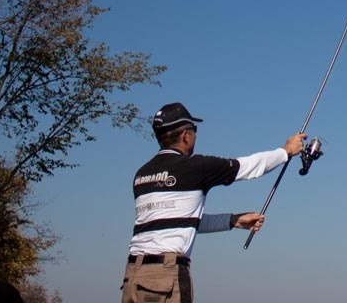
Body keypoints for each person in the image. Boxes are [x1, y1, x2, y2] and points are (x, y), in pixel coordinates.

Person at [121, 102, 306, 303]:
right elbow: (248, 167)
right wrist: (286, 151)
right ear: (185, 135)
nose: (196, 136)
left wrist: (232, 221)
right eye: (194, 130)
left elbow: (180, 222)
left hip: (133, 277)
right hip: (165, 278)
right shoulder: (196, 167)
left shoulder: (142, 175)